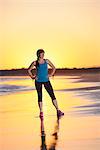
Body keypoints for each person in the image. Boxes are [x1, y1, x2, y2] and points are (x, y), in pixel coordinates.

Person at [28, 49, 64, 120]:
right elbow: (29, 70)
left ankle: (58, 110)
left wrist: (50, 74)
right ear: (38, 54)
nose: (43, 55)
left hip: (46, 80)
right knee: (40, 96)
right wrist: (33, 76)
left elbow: (54, 68)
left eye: (43, 54)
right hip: (38, 81)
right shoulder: (35, 62)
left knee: (52, 95)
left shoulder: (46, 61)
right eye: (42, 54)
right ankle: (41, 112)